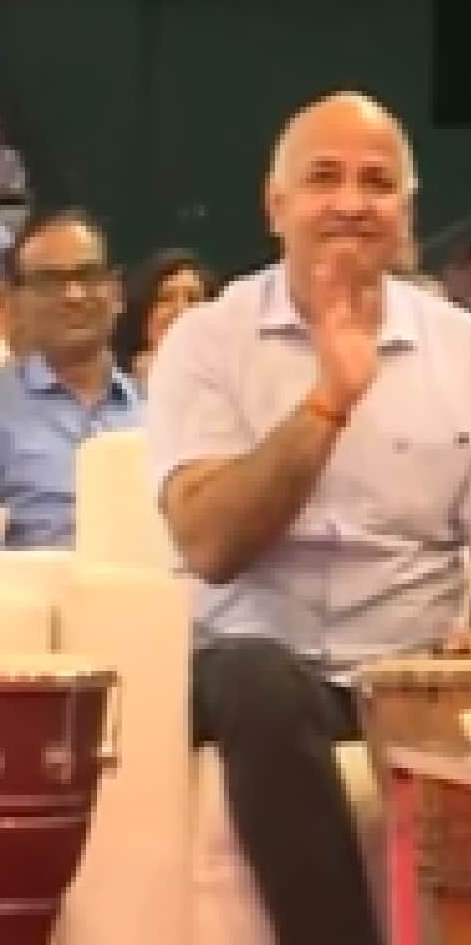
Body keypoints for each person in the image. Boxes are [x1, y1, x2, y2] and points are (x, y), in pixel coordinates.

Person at [148, 92, 471, 945]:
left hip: (412, 668)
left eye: (377, 183)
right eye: (325, 179)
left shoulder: (461, 351)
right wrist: (329, 402)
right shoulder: (206, 342)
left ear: (407, 212)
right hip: (243, 665)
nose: (352, 203)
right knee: (264, 679)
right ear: (276, 205)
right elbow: (210, 543)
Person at [0, 209, 142, 555]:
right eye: (50, 282)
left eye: (88, 275)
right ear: (16, 303)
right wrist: (4, 570)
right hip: (30, 581)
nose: (74, 295)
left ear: (116, 293)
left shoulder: (157, 407)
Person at [113, 248, 217, 387]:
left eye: (193, 299)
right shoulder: (111, 384)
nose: (181, 309)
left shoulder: (230, 382)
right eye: (165, 298)